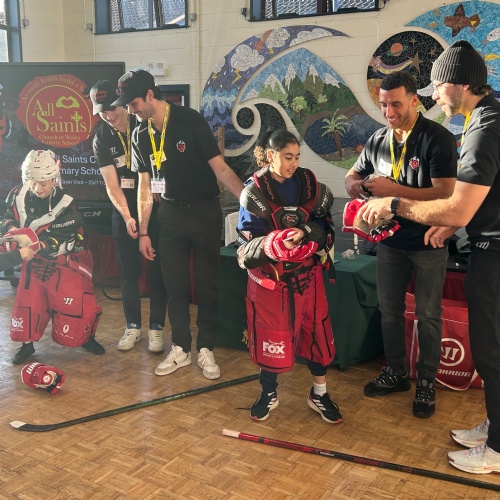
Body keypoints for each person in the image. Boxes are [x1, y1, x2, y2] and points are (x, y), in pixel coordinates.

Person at [358, 41, 500, 474]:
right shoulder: (486, 118)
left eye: (438, 86)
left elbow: (455, 204)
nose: (435, 95)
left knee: (491, 352)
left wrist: (393, 203)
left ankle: (497, 449)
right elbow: (476, 201)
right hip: (481, 245)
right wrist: (455, 223)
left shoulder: (483, 128)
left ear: (460, 84)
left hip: (492, 253)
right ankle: (496, 427)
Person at [111, 70, 244, 379]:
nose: (130, 110)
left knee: (207, 286)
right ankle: (181, 348)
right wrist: (144, 231)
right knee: (174, 287)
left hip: (204, 212)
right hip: (169, 215)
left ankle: (206, 348)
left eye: (133, 103)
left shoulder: (190, 120)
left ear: (150, 95)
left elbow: (221, 169)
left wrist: (250, 202)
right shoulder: (140, 134)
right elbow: (145, 186)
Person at [345, 71, 457, 418]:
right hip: (389, 243)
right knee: (389, 309)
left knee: (428, 314)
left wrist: (392, 192)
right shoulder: (378, 139)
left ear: (414, 100)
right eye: (383, 104)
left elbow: (445, 192)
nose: (389, 112)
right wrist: (355, 186)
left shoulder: (437, 137)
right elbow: (352, 175)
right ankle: (395, 372)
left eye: (396, 104)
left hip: (428, 241)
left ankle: (426, 381)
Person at [236, 129, 341, 423]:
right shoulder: (254, 193)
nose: (293, 163)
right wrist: (274, 244)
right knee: (273, 336)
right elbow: (245, 248)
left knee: (318, 332)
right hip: (273, 283)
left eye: (296, 157)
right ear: (271, 156)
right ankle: (268, 393)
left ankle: (319, 393)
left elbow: (326, 227)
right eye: (287, 157)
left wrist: (308, 232)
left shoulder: (310, 185)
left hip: (309, 276)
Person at [0, 149, 104, 365]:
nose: (38, 188)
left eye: (43, 183)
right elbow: (7, 218)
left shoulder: (67, 204)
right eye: (33, 182)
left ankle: (86, 337)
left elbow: (60, 237)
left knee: (79, 305)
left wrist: (35, 244)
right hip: (32, 264)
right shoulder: (17, 195)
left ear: (54, 179)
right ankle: (26, 345)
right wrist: (11, 231)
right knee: (28, 304)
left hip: (64, 263)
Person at [90, 80, 167, 353]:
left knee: (157, 270)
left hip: (154, 206)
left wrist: (159, 190)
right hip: (123, 209)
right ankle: (132, 326)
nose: (108, 116)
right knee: (128, 272)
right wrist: (126, 216)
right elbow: (112, 185)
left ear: (122, 103)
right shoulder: (101, 137)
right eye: (101, 112)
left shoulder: (143, 123)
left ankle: (156, 328)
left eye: (111, 108)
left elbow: (162, 165)